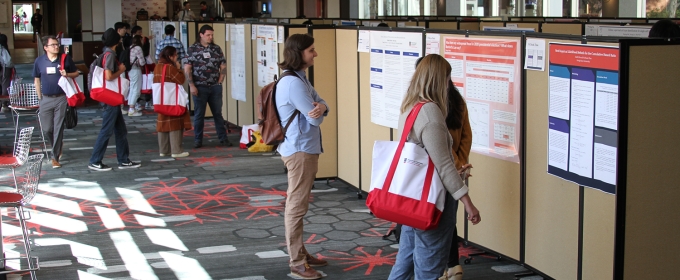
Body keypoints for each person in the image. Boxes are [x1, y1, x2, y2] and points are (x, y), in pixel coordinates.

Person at [388, 54, 480, 280]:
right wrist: (468, 203)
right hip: (432, 199)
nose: (450, 83)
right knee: (429, 268)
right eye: (448, 77)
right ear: (441, 80)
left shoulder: (411, 106)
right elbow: (445, 166)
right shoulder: (431, 114)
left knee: (406, 261)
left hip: (412, 195)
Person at [275, 33, 329, 280]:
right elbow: (315, 116)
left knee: (298, 204)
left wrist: (322, 107)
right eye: (311, 50)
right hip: (299, 150)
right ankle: (297, 262)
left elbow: (322, 103)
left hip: (302, 147)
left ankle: (301, 253)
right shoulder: (294, 83)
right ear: (299, 53)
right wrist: (320, 109)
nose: (315, 54)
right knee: (296, 206)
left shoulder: (299, 77)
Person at [88, 28, 141, 171]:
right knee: (107, 130)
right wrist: (122, 70)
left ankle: (123, 160)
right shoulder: (110, 54)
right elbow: (109, 76)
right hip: (110, 98)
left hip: (110, 98)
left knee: (121, 131)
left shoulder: (105, 52)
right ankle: (95, 160)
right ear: (116, 41)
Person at [33, 35, 79, 168]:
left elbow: (76, 73)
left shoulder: (65, 59)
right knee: (47, 129)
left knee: (58, 127)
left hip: (61, 98)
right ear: (45, 47)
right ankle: (57, 145)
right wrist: (40, 97)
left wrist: (67, 74)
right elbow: (37, 80)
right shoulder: (39, 61)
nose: (56, 46)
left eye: (57, 44)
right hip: (45, 99)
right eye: (53, 45)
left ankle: (55, 157)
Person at [183, 25, 231, 148]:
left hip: (215, 86)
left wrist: (220, 80)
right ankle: (198, 139)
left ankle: (223, 138)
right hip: (200, 86)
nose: (210, 37)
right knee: (199, 114)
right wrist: (192, 85)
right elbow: (187, 68)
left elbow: (223, 65)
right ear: (201, 34)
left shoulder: (216, 49)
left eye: (212, 35)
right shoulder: (192, 49)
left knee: (218, 114)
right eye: (208, 35)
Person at [155, 46, 191, 158]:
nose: (176, 58)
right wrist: (179, 68)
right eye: (175, 55)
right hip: (172, 100)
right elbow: (180, 79)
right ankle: (176, 150)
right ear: (170, 56)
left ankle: (164, 150)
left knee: (162, 124)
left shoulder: (158, 66)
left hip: (161, 99)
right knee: (175, 123)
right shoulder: (170, 67)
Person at [131, 25, 155, 111]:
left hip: (139, 66)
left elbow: (146, 51)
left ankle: (143, 102)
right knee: (141, 84)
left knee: (143, 83)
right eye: (139, 33)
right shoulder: (135, 45)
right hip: (140, 66)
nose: (141, 34)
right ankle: (136, 104)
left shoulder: (144, 40)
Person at [127, 35, 146, 116]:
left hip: (130, 69)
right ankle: (131, 109)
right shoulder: (138, 48)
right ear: (140, 40)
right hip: (136, 69)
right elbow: (142, 62)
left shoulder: (130, 47)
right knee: (136, 89)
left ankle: (131, 107)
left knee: (132, 88)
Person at [0, 34, 13, 112]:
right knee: (5, 85)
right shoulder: (3, 48)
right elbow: (8, 62)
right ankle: (4, 104)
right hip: (4, 68)